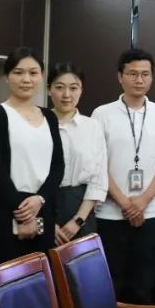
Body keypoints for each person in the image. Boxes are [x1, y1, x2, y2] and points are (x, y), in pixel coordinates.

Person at [91, 48, 155, 304]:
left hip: (150, 212)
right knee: (110, 285)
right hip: (110, 213)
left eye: (145, 74)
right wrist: (125, 203)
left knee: (143, 285)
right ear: (120, 77)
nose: (139, 80)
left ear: (152, 77)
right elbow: (98, 164)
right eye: (132, 74)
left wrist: (142, 201)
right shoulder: (102, 114)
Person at [0, 47, 64, 268]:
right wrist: (23, 212)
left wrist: (40, 199)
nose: (26, 79)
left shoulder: (49, 117)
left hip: (42, 208)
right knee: (8, 280)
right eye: (18, 72)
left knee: (42, 278)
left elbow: (58, 166)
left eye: (33, 73)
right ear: (7, 77)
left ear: (42, 76)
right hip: (6, 210)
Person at [47, 62, 108, 246]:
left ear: (81, 90)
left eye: (74, 88)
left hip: (82, 209)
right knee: (44, 262)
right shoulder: (38, 124)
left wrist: (78, 220)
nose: (67, 95)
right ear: (49, 89)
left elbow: (98, 178)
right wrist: (47, 223)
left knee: (81, 263)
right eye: (59, 87)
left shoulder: (92, 127)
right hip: (43, 208)